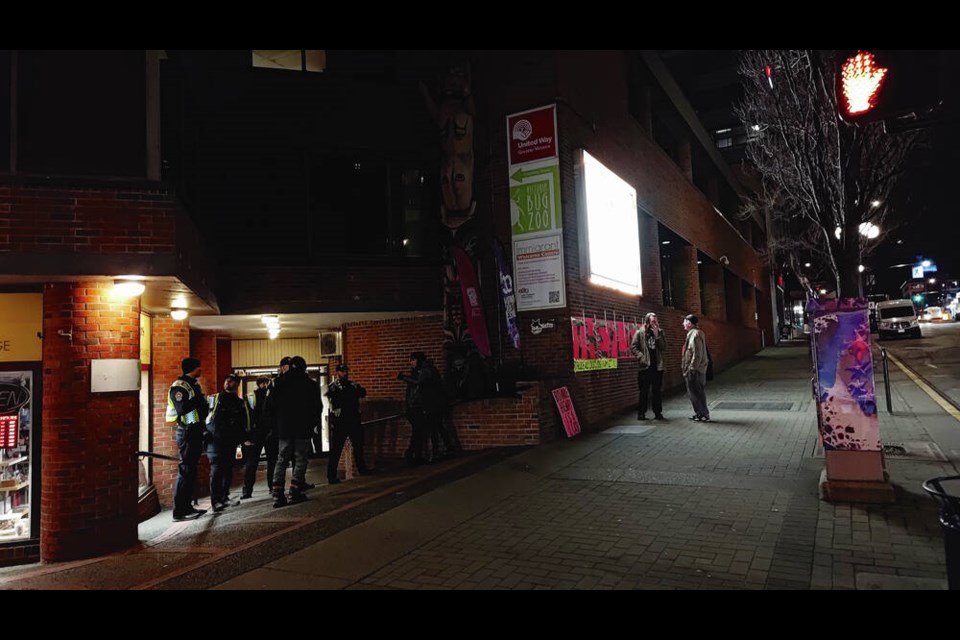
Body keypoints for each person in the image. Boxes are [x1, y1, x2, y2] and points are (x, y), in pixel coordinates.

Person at [270, 355, 321, 508]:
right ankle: (295, 490)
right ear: (304, 367)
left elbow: (271, 407)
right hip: (302, 428)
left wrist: (276, 426)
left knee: (281, 459)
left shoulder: (278, 383)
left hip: (284, 428)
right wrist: (312, 425)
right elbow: (317, 407)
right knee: (300, 459)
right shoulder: (310, 384)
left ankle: (277, 493)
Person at [166, 357, 208, 521]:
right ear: (194, 368)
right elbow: (182, 408)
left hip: (195, 431)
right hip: (187, 432)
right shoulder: (180, 386)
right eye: (199, 367)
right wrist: (198, 400)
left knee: (191, 471)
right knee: (186, 471)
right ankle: (179, 511)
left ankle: (187, 506)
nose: (201, 370)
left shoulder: (191, 384)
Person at [206, 373, 250, 512]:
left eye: (231, 381)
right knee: (216, 471)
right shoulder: (215, 398)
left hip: (230, 442)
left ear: (237, 384)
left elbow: (242, 422)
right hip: (216, 442)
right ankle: (216, 501)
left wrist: (244, 438)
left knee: (227, 470)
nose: (227, 382)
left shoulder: (239, 402)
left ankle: (224, 497)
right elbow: (205, 418)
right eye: (226, 380)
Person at [398, 351, 446, 464]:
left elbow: (418, 383)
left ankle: (421, 454)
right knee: (422, 431)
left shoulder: (425, 370)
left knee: (428, 430)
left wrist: (404, 377)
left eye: (413, 360)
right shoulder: (420, 371)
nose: (410, 362)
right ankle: (418, 454)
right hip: (419, 406)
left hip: (425, 406)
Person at [325, 364, 369, 484]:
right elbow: (333, 399)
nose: (345, 373)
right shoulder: (334, 387)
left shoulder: (351, 385)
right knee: (336, 449)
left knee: (358, 446)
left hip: (353, 419)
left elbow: (363, 392)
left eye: (345, 371)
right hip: (341, 422)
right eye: (342, 371)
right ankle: (331, 475)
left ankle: (362, 469)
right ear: (338, 372)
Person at [240, 376, 273, 499]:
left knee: (251, 464)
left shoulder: (249, 397)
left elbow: (244, 418)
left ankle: (247, 491)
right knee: (271, 462)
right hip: (268, 434)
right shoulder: (270, 396)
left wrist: (245, 437)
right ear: (264, 384)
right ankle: (272, 488)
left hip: (254, 435)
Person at [631, 312, 667, 420]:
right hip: (645, 367)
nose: (655, 323)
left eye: (656, 320)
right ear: (647, 321)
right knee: (644, 391)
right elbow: (633, 347)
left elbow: (663, 347)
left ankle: (657, 412)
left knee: (657, 391)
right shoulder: (640, 333)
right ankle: (641, 413)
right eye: (652, 321)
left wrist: (657, 336)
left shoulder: (660, 332)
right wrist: (641, 356)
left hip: (657, 366)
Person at [681, 314, 710, 422]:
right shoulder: (694, 334)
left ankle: (703, 414)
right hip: (696, 369)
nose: (683, 324)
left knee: (695, 393)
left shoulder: (695, 335)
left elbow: (697, 354)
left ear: (689, 323)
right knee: (696, 392)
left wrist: (692, 369)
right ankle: (700, 413)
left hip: (695, 370)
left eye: (684, 322)